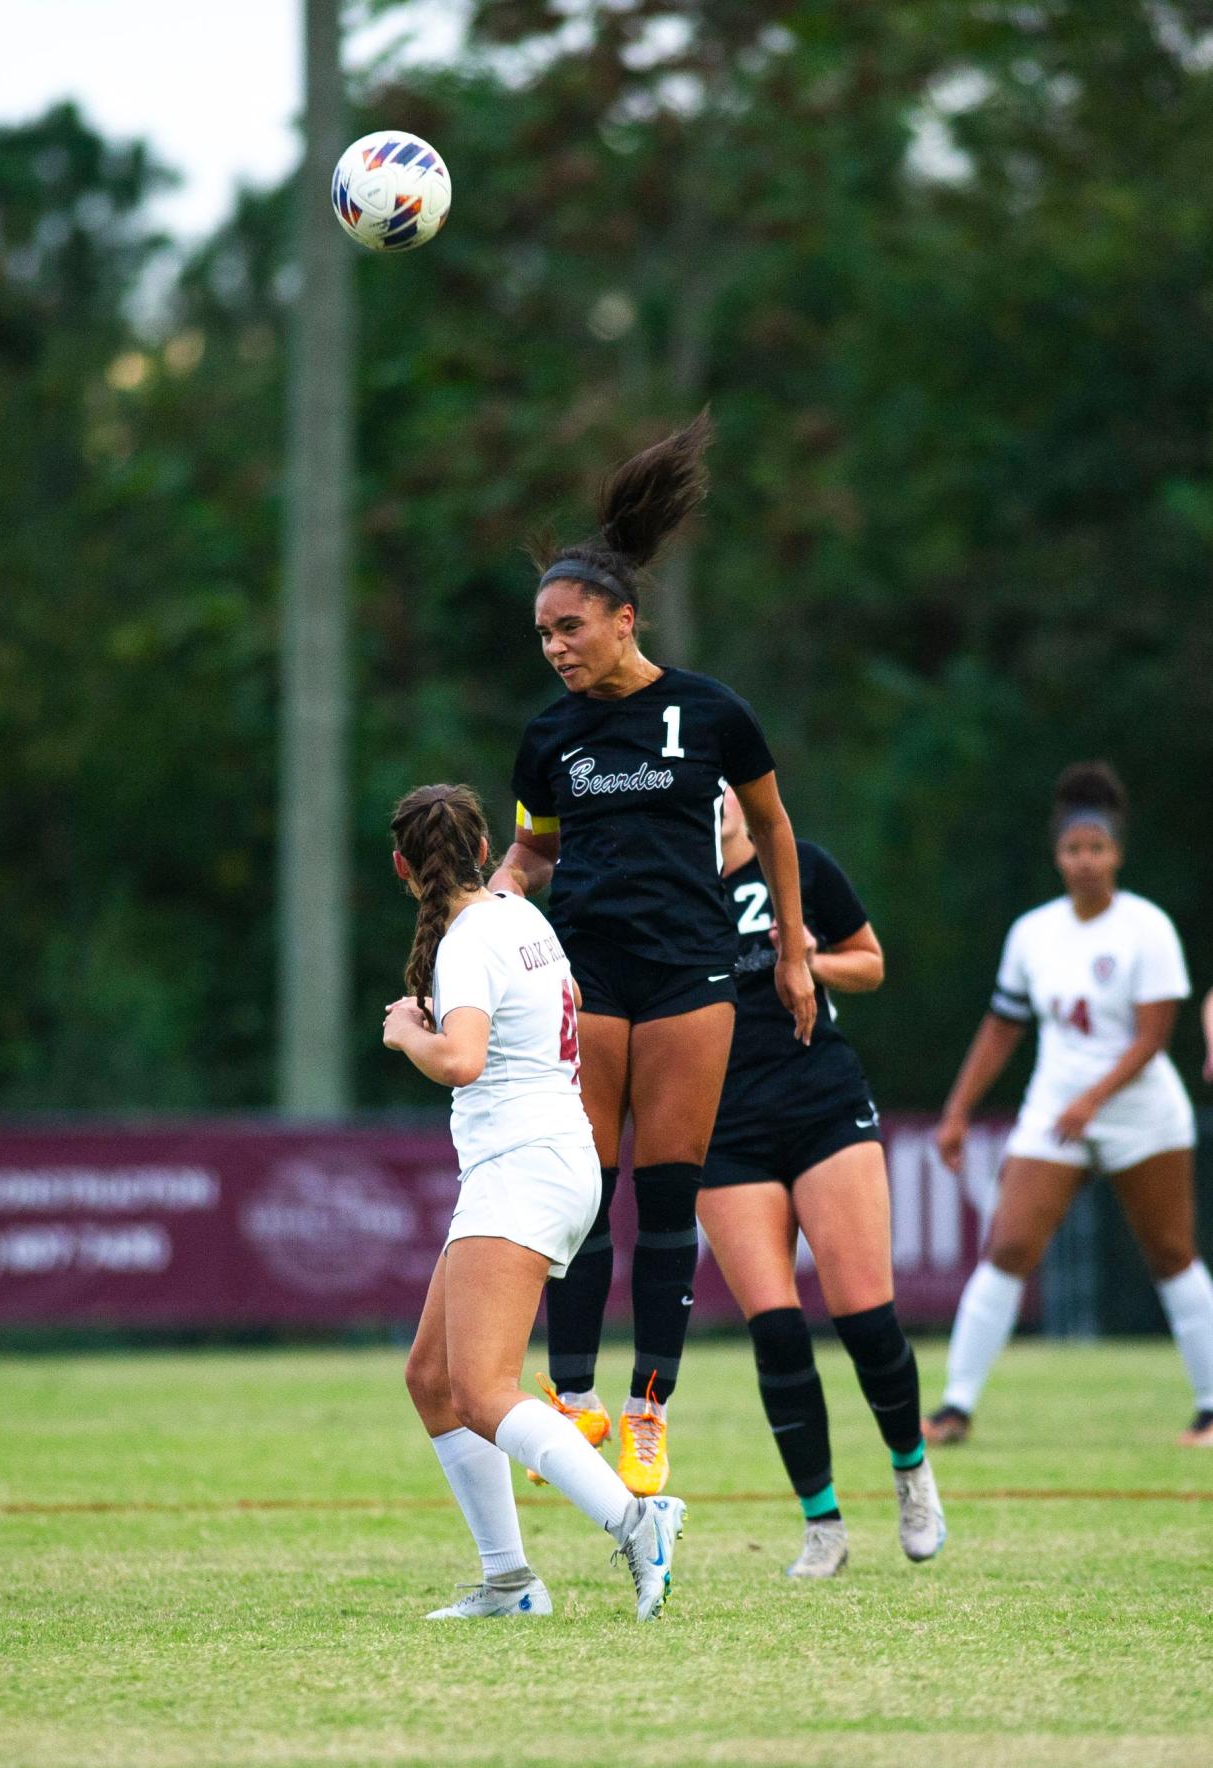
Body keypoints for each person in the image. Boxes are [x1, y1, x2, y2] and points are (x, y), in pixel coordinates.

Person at [488, 410, 816, 1497]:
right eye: (544, 636)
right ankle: (573, 1399)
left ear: (625, 620)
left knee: (671, 1200)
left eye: (571, 628)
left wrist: (797, 950)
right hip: (588, 975)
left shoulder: (712, 714)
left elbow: (771, 828)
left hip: (690, 973)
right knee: (583, 1191)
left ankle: (647, 1410)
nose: (556, 649)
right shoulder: (548, 736)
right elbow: (533, 850)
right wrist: (488, 902)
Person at [384, 783, 687, 1621]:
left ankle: (636, 1521)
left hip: (522, 1162)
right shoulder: (523, 915)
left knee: (482, 1389)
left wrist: (410, 1031)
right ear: (484, 852)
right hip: (552, 1155)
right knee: (433, 1378)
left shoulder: (468, 940)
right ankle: (510, 1583)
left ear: (403, 865)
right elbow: (571, 1003)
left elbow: (464, 1060)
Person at [925, 762, 1213, 1450]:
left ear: (1117, 853)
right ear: (1058, 856)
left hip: (1141, 1115)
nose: (1085, 861)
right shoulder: (1033, 933)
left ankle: (1209, 1408)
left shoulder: (1146, 928)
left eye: (1098, 849)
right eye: (1073, 850)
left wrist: (1093, 1099)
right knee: (1008, 1245)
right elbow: (1001, 1027)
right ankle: (954, 1408)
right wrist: (958, 1109)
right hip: (1057, 1110)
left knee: (1172, 1253)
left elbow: (1152, 1038)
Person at [695, 790, 945, 1577]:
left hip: (821, 1104)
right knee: (774, 1327)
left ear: (741, 796)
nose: (713, 800)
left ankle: (912, 1472)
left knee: (865, 1318)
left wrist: (806, 958)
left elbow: (870, 962)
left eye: (723, 784)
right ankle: (822, 1523)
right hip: (723, 1127)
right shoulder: (666, 896)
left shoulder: (796, 867)